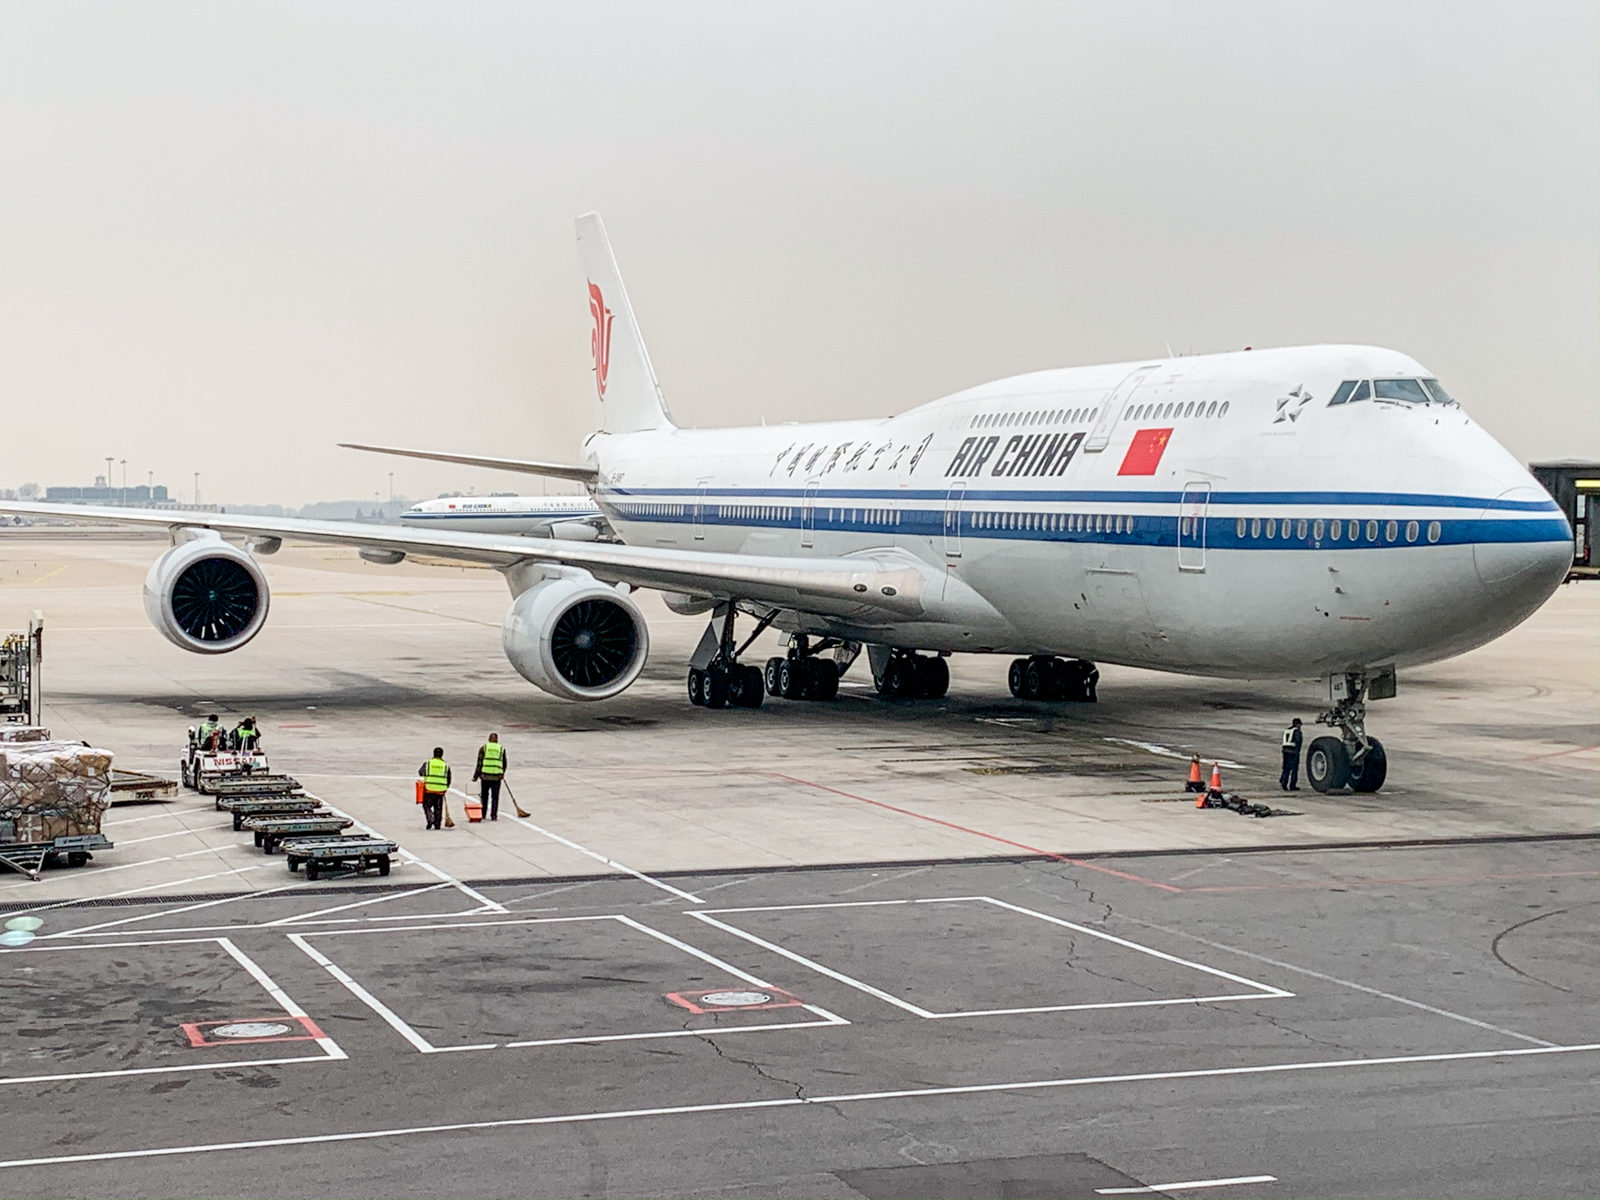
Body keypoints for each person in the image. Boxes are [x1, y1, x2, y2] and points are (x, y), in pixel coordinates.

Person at [473, 733, 507, 821]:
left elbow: (479, 763)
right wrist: (502, 773)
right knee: (495, 797)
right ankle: (494, 815)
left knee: (484, 796)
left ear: (489, 739)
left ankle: (483, 814)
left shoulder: (484, 748)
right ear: (497, 740)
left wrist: (476, 776)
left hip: (485, 776)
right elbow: (504, 763)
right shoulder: (501, 749)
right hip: (496, 777)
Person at [418, 747, 451, 830]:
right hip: (440, 790)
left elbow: (421, 773)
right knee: (438, 808)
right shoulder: (445, 765)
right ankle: (437, 824)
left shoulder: (428, 763)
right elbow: (449, 778)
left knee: (426, 806)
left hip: (429, 789)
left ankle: (430, 818)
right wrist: (446, 787)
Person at [1280, 717, 1303, 790]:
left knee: (1286, 768)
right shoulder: (1297, 732)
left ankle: (1284, 781)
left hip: (1285, 751)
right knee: (1294, 769)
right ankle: (1292, 785)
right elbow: (1298, 741)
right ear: (1297, 724)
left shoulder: (1287, 730)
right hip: (1293, 752)